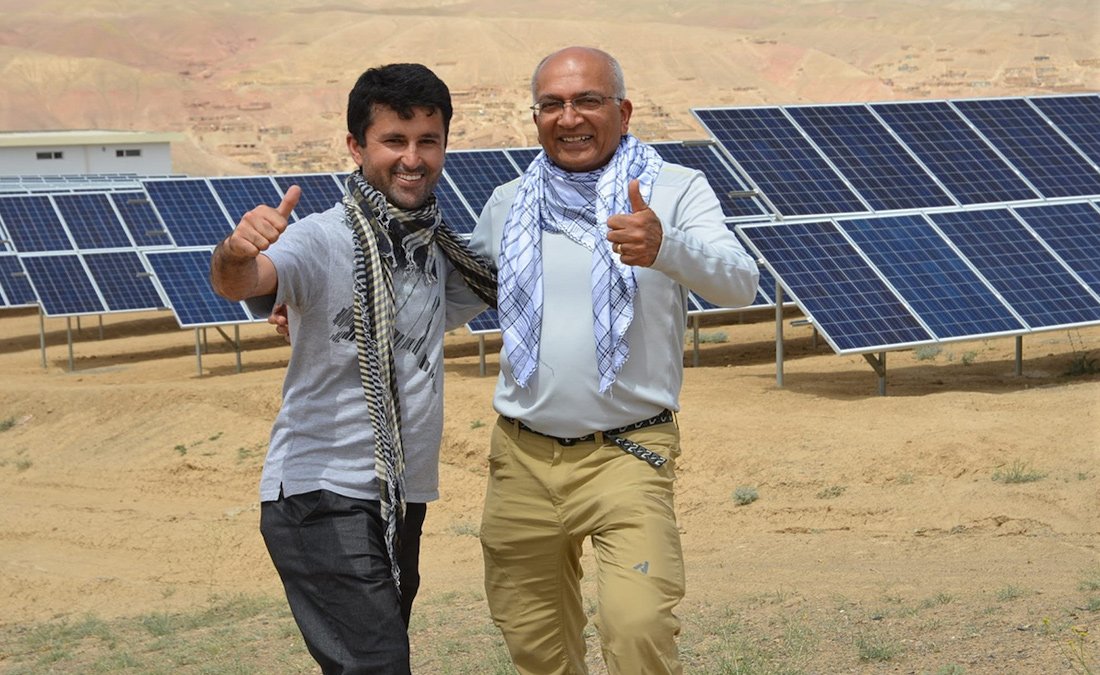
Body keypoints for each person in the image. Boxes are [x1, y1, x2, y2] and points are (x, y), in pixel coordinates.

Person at [468, 46, 759, 674]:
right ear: (537, 116)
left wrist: (664, 245)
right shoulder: (508, 204)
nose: (568, 117)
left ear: (623, 112)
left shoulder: (675, 191)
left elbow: (740, 283)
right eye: (552, 104)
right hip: (520, 457)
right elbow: (445, 302)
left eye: (587, 101)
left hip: (628, 452)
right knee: (533, 641)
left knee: (638, 626)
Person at [208, 62, 495, 674]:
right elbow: (246, 281)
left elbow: (511, 282)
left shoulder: (437, 250)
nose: (412, 158)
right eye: (394, 140)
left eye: (428, 140)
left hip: (399, 494)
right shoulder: (322, 239)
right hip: (321, 491)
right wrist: (235, 251)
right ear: (356, 146)